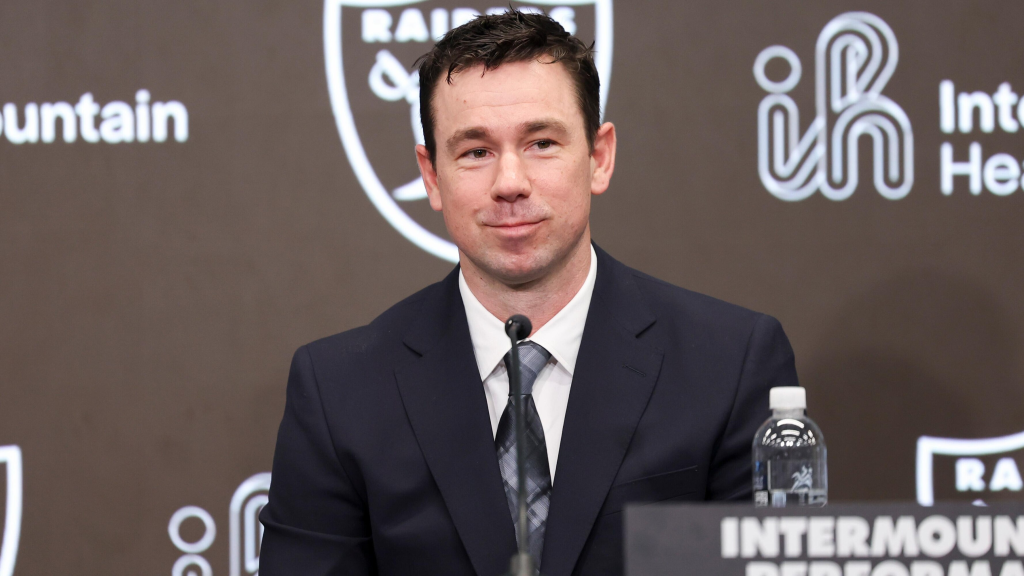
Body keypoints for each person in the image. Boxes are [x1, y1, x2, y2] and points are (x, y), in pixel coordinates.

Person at [259, 10, 798, 576]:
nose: (510, 183)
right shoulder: (340, 392)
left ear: (599, 157)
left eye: (541, 142)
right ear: (432, 176)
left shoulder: (730, 364)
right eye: (475, 151)